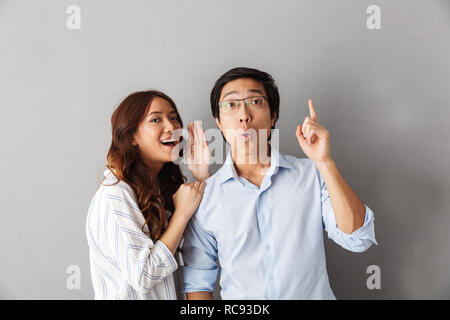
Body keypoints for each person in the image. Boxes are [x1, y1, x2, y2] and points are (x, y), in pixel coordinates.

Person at [182, 67, 378, 299]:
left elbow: (357, 238)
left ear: (273, 115)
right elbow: (198, 281)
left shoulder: (310, 174)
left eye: (255, 101)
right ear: (219, 122)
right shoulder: (206, 195)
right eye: (231, 105)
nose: (244, 115)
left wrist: (324, 162)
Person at [86, 90, 210, 299]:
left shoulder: (162, 190)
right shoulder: (115, 193)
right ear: (132, 136)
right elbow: (143, 275)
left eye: (173, 117)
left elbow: (210, 242)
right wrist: (181, 215)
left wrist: (202, 176)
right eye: (155, 119)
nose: (171, 127)